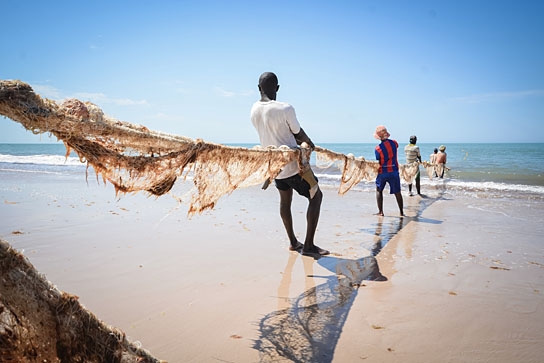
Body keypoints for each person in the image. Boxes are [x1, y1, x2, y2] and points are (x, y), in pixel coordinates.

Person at [250, 72, 329, 256]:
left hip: (275, 167)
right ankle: (308, 246)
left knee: (285, 201)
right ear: (277, 88)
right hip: (293, 167)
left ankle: (294, 242)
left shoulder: (253, 109)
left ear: (258, 88)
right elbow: (297, 133)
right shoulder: (285, 108)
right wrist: (309, 142)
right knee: (316, 197)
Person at [374, 126, 404, 217]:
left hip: (382, 172)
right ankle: (401, 212)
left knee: (379, 190)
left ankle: (381, 211)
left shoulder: (378, 149)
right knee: (397, 192)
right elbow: (396, 147)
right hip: (394, 171)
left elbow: (378, 159)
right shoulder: (394, 143)